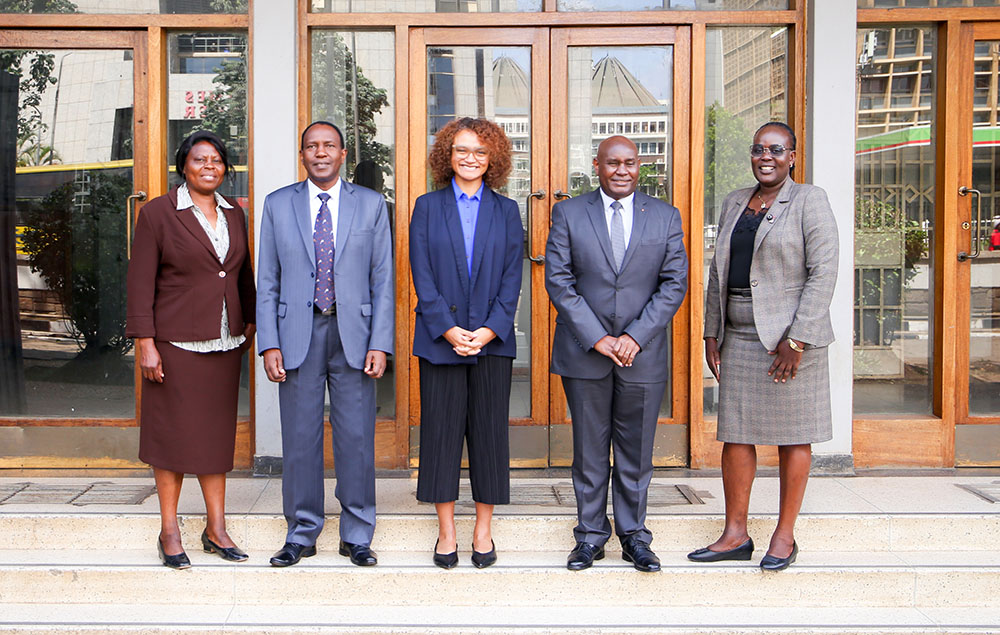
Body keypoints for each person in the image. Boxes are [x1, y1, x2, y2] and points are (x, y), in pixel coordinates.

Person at [689, 121, 838, 571]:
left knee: (794, 435)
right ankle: (735, 534)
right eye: (758, 149)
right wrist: (712, 332)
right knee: (736, 433)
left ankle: (784, 535)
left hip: (790, 341)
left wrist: (797, 338)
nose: (766, 157)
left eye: (776, 149)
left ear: (792, 156)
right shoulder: (736, 201)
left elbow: (824, 271)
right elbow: (718, 271)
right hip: (738, 333)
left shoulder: (809, 200)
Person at [545, 135, 688, 572]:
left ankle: (634, 536)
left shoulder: (665, 216)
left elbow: (674, 283)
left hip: (642, 355)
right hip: (585, 353)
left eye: (629, 163)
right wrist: (598, 338)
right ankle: (589, 537)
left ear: (639, 166)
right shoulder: (569, 213)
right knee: (589, 451)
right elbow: (559, 280)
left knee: (636, 452)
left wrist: (635, 337)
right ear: (597, 165)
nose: (621, 170)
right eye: (612, 163)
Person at [256, 121, 394, 568]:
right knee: (300, 438)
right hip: (297, 333)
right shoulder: (277, 204)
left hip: (355, 334)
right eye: (312, 146)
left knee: (356, 438)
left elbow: (383, 278)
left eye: (329, 145)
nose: (320, 152)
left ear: (343, 153)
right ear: (302, 155)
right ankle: (302, 531)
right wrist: (269, 343)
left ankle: (357, 533)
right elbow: (267, 279)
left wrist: (380, 342)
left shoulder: (371, 204)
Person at [126, 130, 256, 569]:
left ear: (225, 168)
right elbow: (140, 282)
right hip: (174, 343)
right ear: (183, 165)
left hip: (224, 342)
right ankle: (169, 530)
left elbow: (241, 273)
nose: (209, 166)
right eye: (199, 159)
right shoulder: (158, 213)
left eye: (216, 160)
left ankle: (216, 528)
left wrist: (250, 321)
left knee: (215, 439)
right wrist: (146, 344)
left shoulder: (234, 212)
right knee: (171, 438)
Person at [409, 117, 523, 570]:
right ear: (448, 155)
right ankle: (446, 531)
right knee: (440, 435)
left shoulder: (507, 211)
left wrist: (491, 329)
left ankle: (482, 530)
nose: (470, 158)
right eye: (462, 150)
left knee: (489, 436)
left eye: (480, 151)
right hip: (441, 341)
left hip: (492, 342)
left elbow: (512, 277)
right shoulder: (427, 206)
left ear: (493, 158)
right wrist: (447, 328)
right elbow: (422, 273)